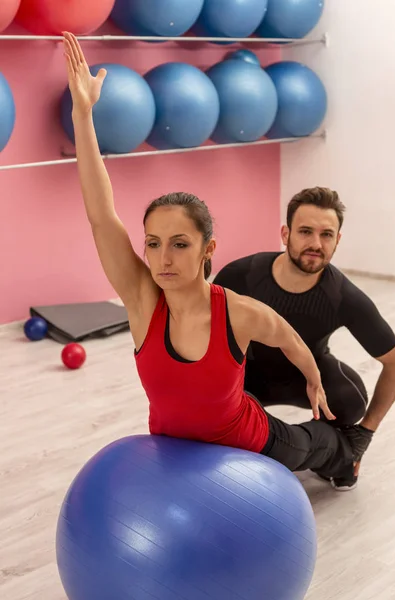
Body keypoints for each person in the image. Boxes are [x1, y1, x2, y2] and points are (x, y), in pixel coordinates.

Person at [62, 32, 369, 489]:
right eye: (153, 243)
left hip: (248, 439)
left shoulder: (238, 312)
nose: (163, 258)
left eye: (180, 243)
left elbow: (287, 335)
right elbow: (100, 213)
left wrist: (313, 380)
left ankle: (342, 455)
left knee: (310, 447)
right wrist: (83, 114)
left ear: (208, 249)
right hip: (177, 448)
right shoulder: (143, 301)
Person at [214, 186, 395, 489]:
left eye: (326, 235)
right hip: (246, 377)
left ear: (337, 240)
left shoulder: (342, 296)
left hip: (308, 378)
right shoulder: (240, 277)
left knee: (350, 401)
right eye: (305, 231)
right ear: (285, 233)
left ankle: (333, 452)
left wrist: (365, 433)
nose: (315, 244)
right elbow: (206, 343)